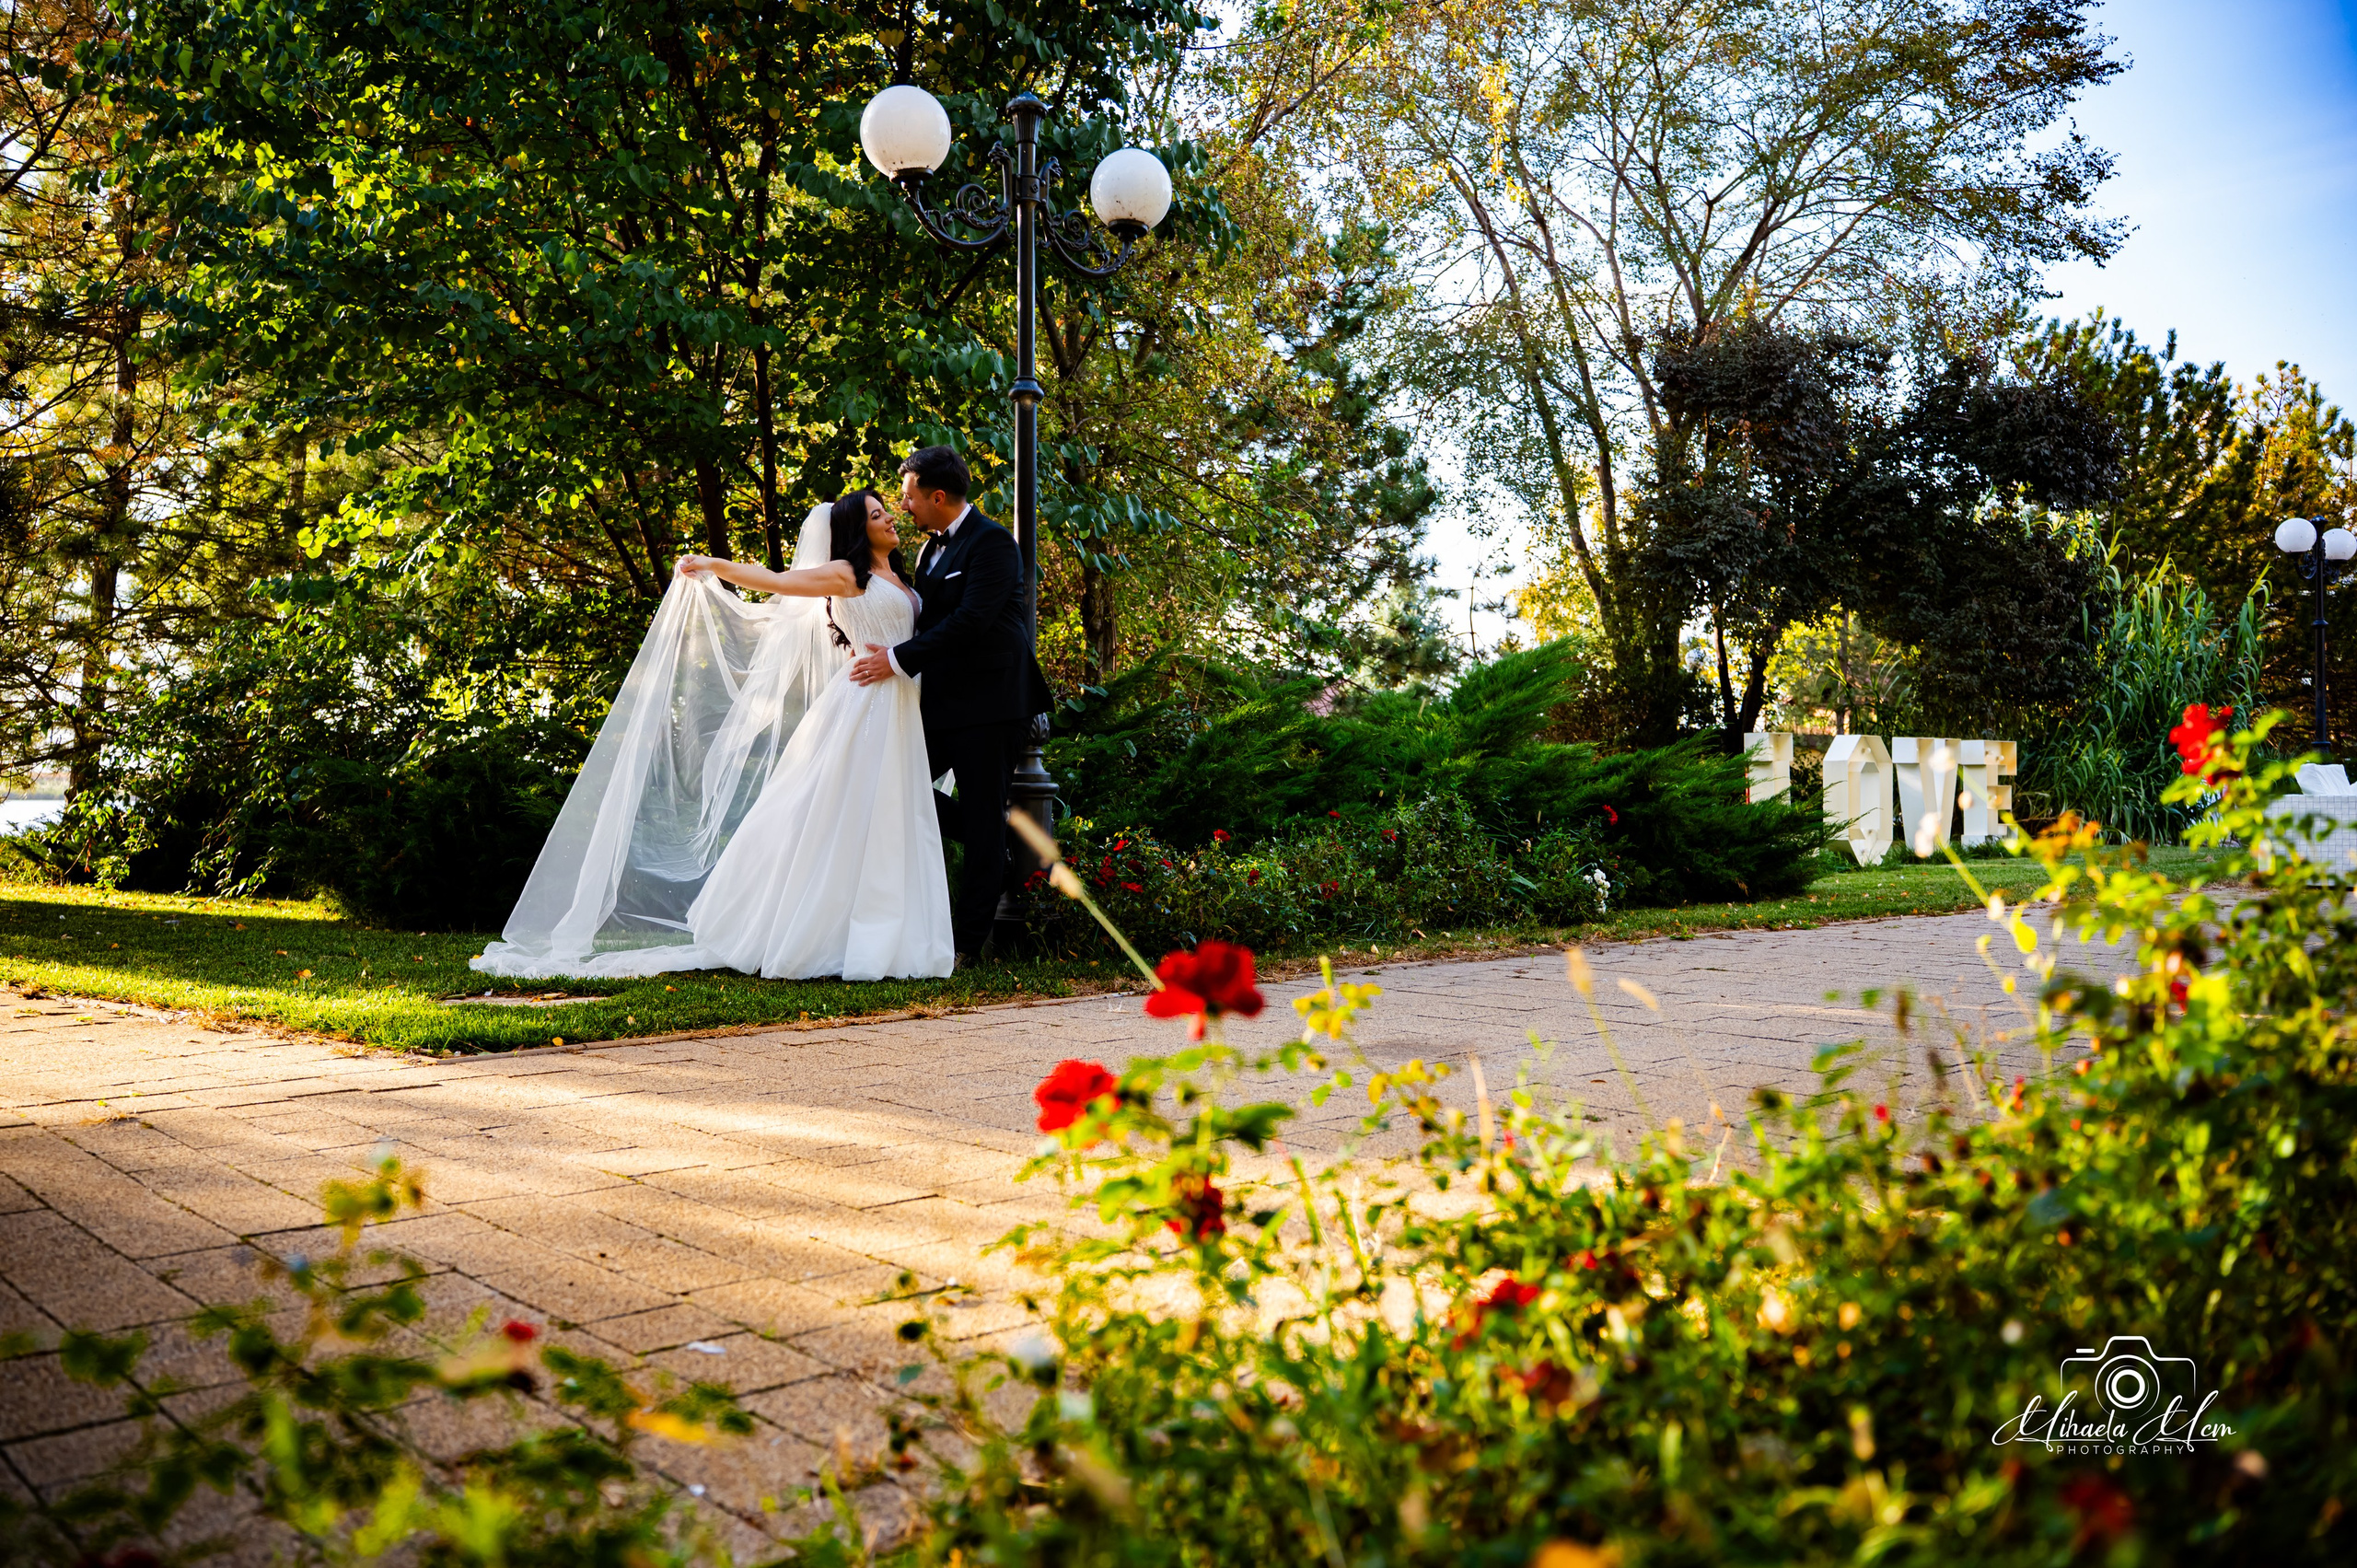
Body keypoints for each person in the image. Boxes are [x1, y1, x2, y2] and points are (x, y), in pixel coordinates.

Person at [470, 490, 954, 981]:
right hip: (864, 704)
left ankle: (888, 933)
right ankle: (832, 934)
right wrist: (713, 564)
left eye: (886, 511)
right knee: (848, 813)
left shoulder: (905, 575)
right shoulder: (847, 574)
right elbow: (776, 580)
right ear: (856, 529)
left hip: (899, 703)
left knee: (889, 813)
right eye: (877, 514)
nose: (889, 518)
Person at [847, 445, 1044, 959]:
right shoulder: (927, 551)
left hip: (993, 704)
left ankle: (967, 945)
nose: (902, 506)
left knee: (979, 819)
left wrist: (895, 659)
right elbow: (926, 621)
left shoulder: (993, 542)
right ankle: (998, 839)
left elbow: (970, 622)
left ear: (937, 497)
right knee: (891, 784)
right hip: (940, 703)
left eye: (908, 496)